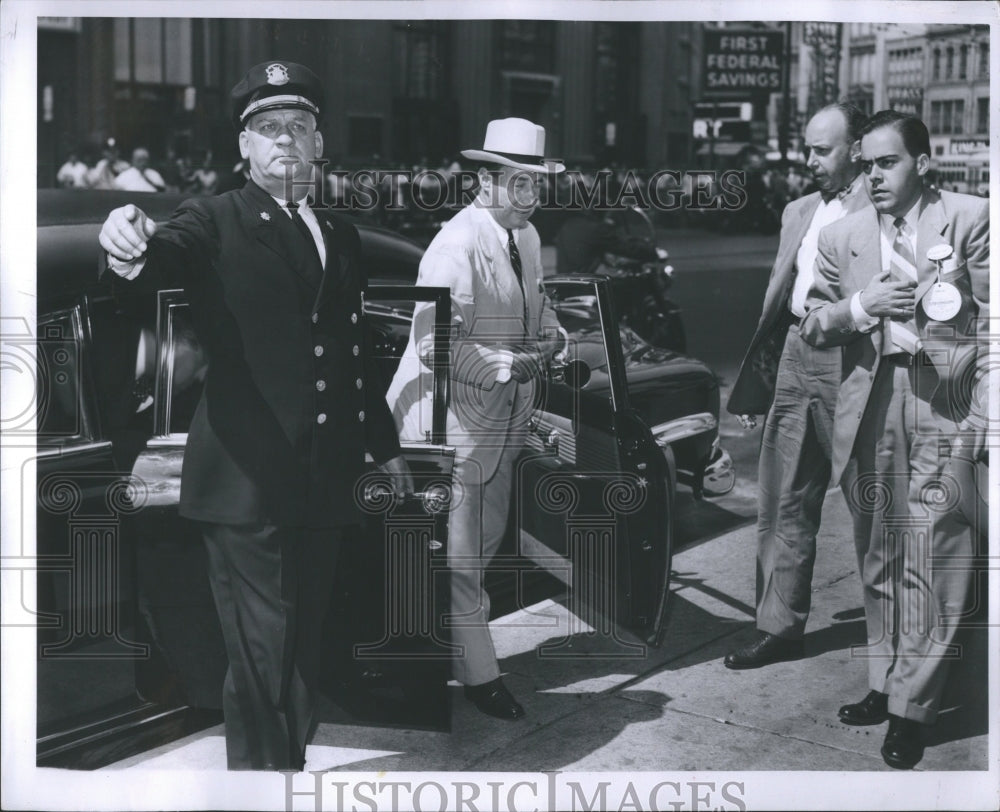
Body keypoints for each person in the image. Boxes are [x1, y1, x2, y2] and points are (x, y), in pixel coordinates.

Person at [98, 60, 412, 771]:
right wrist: (126, 244)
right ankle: (261, 783)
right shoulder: (212, 219)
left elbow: (352, 352)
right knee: (263, 648)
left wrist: (384, 446)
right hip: (245, 478)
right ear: (243, 146)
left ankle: (286, 769)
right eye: (267, 128)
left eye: (299, 127)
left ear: (320, 144)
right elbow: (160, 259)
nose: (285, 142)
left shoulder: (342, 233)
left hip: (324, 477)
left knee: (304, 644)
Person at [800, 110, 989, 769]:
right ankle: (885, 680)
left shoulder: (970, 217)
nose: (872, 175)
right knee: (878, 549)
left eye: (887, 163)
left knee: (936, 554)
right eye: (867, 164)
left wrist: (984, 421)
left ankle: (913, 706)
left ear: (923, 163)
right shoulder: (843, 233)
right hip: (871, 399)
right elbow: (813, 326)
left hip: (944, 401)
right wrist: (861, 308)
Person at [384, 117, 563, 721]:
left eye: (537, 184)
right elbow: (435, 340)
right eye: (520, 184)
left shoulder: (528, 237)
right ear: (485, 181)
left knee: (480, 550)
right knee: (459, 562)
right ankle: (482, 678)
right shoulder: (454, 244)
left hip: (500, 426)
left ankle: (455, 656)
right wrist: (505, 366)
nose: (531, 197)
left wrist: (552, 336)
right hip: (449, 428)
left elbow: (537, 310)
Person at [724, 103, 871, 670]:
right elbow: (776, 302)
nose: (808, 160)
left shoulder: (881, 205)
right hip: (793, 353)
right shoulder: (798, 210)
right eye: (807, 147)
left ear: (856, 147)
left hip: (852, 359)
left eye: (821, 149)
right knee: (783, 495)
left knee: (870, 497)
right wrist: (761, 386)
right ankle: (780, 628)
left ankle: (896, 642)